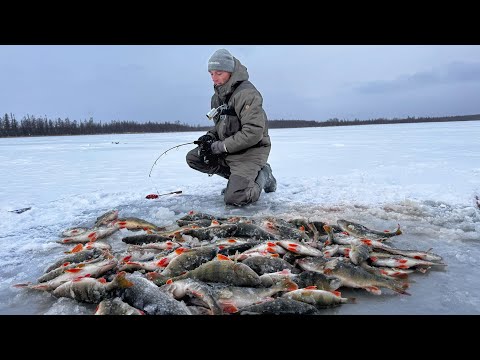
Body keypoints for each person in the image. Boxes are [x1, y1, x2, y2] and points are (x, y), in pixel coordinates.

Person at [186, 48, 276, 206]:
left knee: (235, 198)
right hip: (229, 149)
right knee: (195, 157)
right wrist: (209, 137)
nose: (214, 78)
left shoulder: (247, 94)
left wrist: (219, 147)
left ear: (230, 71)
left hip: (250, 151)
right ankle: (238, 180)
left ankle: (263, 175)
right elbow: (221, 127)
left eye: (219, 73)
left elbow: (253, 132)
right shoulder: (217, 97)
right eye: (211, 73)